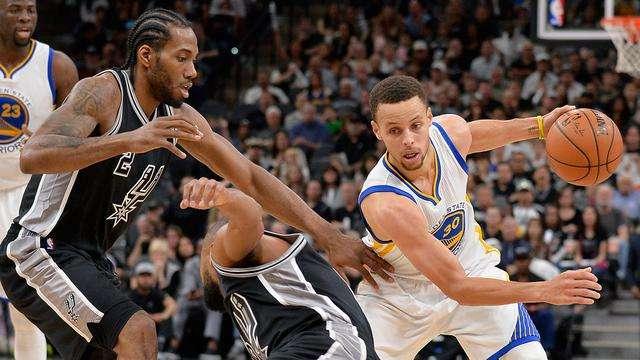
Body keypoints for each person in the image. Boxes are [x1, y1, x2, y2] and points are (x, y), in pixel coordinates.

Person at [0, 8, 390, 360]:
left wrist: (328, 236)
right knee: (138, 332)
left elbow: (250, 176)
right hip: (39, 247)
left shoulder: (180, 119)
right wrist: (127, 140)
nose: (193, 71)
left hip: (91, 258)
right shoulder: (103, 92)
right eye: (182, 58)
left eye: (195, 60)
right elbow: (34, 155)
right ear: (147, 56)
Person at [357, 75, 601, 360]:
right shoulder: (387, 202)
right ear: (377, 131)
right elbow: (457, 288)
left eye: (416, 126)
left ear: (429, 118)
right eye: (395, 131)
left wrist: (539, 126)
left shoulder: (449, 133)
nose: (409, 140)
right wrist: (545, 290)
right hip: (399, 300)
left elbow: (477, 134)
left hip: (471, 269)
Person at [187, 177, 379, 359]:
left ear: (209, 250)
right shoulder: (262, 300)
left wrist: (224, 197)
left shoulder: (221, 253)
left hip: (329, 346)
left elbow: (249, 217)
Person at [0, 0, 78, 359]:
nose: (25, 17)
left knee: (27, 307)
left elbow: (76, 142)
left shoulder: (57, 66)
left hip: (29, 196)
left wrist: (49, 137)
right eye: (14, 9)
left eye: (30, 10)